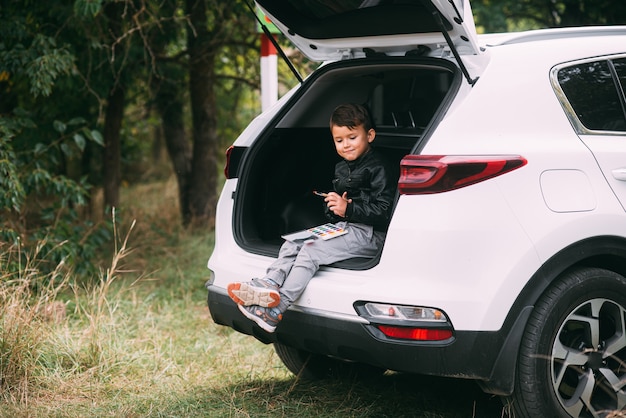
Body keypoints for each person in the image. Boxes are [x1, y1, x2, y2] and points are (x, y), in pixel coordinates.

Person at [227, 103, 395, 332]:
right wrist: (333, 208)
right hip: (346, 227)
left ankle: (275, 310)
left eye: (352, 137)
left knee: (310, 252)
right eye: (339, 140)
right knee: (293, 242)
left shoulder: (380, 168)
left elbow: (385, 212)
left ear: (370, 135)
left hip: (371, 234)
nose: (346, 145)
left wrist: (349, 208)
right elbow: (340, 209)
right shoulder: (341, 168)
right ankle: (271, 283)